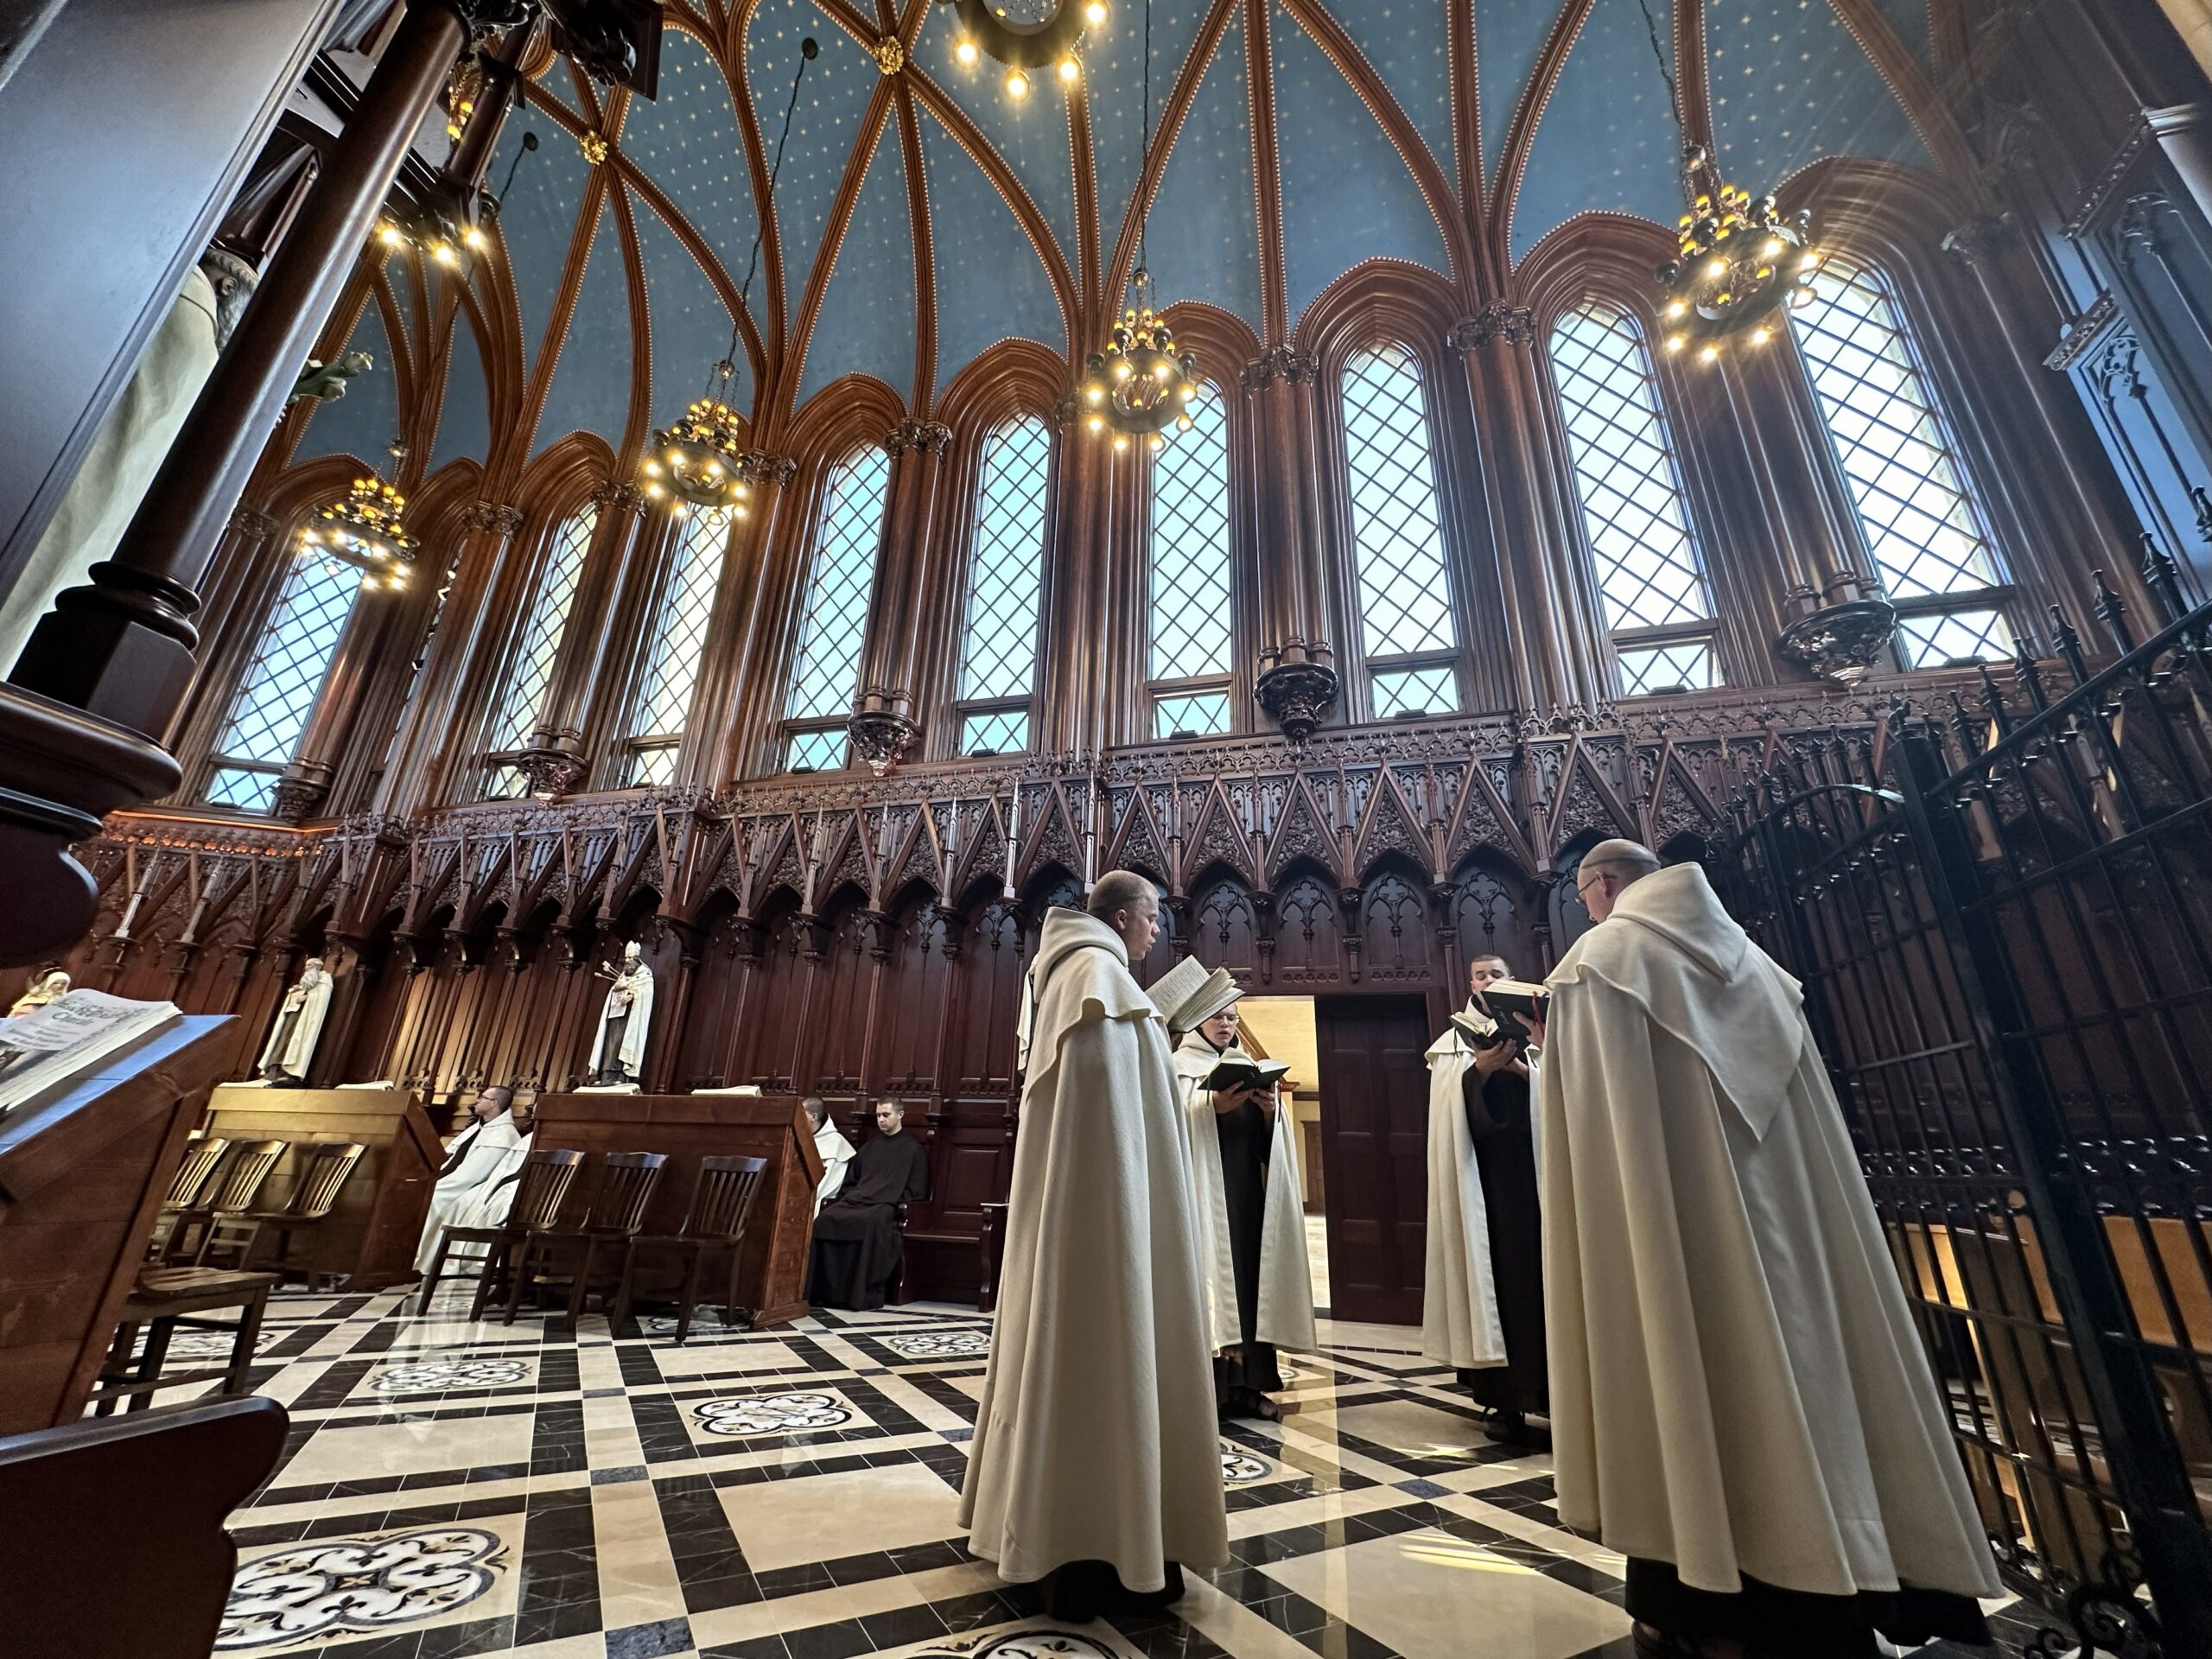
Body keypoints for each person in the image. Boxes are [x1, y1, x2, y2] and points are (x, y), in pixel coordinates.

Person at [1540, 840, 1999, 1657]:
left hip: (1678, 1261)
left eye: (1587, 898)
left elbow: (1595, 1165)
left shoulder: (1602, 965)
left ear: (1602, 887)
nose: (1589, 911)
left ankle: (1703, 1606)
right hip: (1799, 1262)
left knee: (1689, 1383)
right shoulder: (1760, 968)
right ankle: (1847, 1572)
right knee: (1814, 1387)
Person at [960, 870, 1226, 1621]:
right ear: (1119, 914)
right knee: (1105, 1353)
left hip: (1076, 1219)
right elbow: (1116, 1135)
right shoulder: (1101, 977)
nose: (1153, 934)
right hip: (1105, 1230)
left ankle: (1041, 1525)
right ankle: (1102, 1540)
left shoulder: (1072, 974)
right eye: (1149, 919)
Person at [1421, 953, 1547, 1445]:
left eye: (1497, 974)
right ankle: (1505, 1401)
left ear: (1510, 980)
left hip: (1541, 1176)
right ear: (1468, 983)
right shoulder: (1452, 1045)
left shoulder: (1538, 1034)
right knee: (1498, 1286)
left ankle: (1563, 1397)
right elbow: (1451, 1117)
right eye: (1480, 975)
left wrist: (1524, 1072)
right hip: (1488, 1188)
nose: (1488, 981)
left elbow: (1569, 1090)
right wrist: (1482, 1073)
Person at [1173, 998, 1313, 1421]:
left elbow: (1268, 1150)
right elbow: (1163, 1130)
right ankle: (1211, 1392)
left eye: (1233, 1017)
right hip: (1202, 1199)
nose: (1226, 1024)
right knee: (1210, 1287)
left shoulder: (1244, 1064)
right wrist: (1208, 1109)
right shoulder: (1178, 1069)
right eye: (1218, 1016)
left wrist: (1270, 1114)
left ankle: (1250, 1387)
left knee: (1252, 1285)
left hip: (1247, 1197)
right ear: (1198, 1020)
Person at [805, 1097, 928, 1310]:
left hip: (886, 1205)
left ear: (900, 1115)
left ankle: (860, 1295)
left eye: (886, 1115)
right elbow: (852, 1182)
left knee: (870, 1223)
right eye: (878, 1115)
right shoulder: (869, 1147)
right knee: (824, 1220)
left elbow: (915, 1190)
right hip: (858, 1200)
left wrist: (895, 1202)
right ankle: (821, 1293)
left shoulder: (913, 1150)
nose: (881, 1119)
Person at [412, 1085, 527, 1275]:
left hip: (467, 1190)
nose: (477, 1100)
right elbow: (450, 1158)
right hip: (448, 1182)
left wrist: (434, 1185)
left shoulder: (505, 1135)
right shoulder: (478, 1127)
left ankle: (420, 1261)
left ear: (494, 1103)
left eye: (483, 1097)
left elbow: (471, 1176)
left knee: (433, 1200)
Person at [804, 1096, 854, 1217]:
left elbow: (827, 1186)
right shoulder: (801, 1138)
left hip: (817, 1202)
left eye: (801, 1114)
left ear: (814, 1117)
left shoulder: (835, 1143)